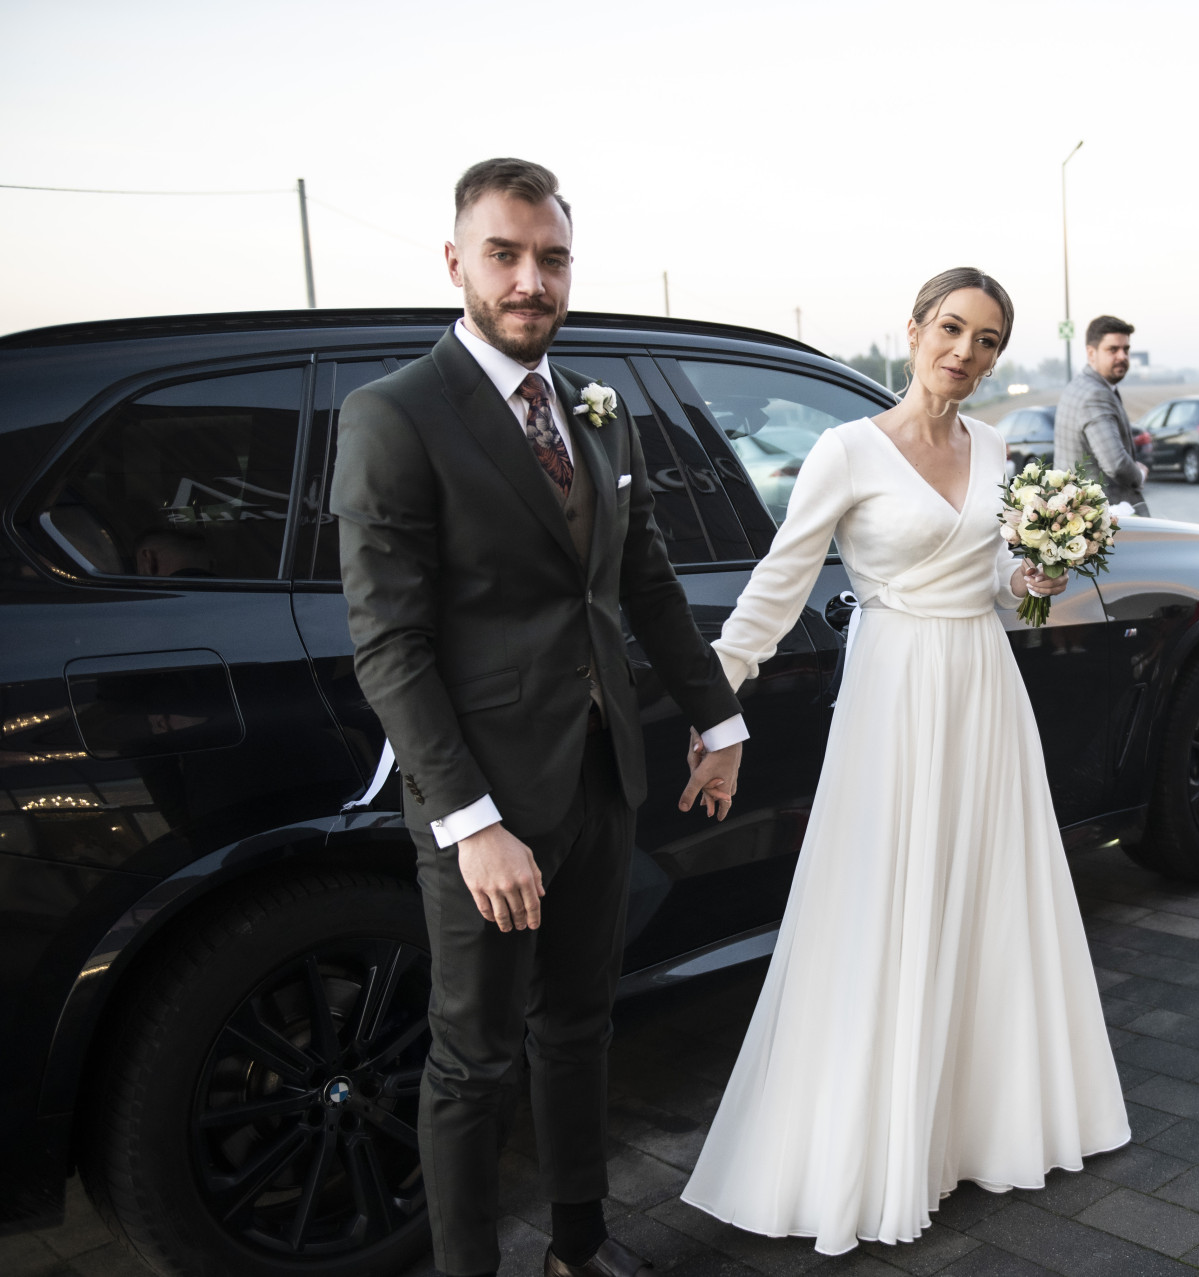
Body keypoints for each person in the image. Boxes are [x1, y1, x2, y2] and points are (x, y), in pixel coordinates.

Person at [332, 158, 747, 1277]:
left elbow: (643, 582)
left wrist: (718, 720)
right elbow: (390, 645)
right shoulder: (395, 415)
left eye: (552, 257)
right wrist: (472, 822)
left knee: (579, 1026)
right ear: (455, 262)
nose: (531, 279)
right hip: (485, 802)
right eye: (505, 254)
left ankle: (578, 1244)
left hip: (602, 776)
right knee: (472, 1059)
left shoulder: (595, 410)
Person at [681, 268, 1130, 1254]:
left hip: (983, 684)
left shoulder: (997, 449)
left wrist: (1033, 570)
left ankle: (983, 1124)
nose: (965, 352)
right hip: (895, 690)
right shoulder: (846, 450)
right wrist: (716, 704)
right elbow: (778, 583)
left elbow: (1003, 586)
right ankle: (879, 1145)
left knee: (986, 891)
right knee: (888, 898)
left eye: (987, 340)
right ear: (917, 328)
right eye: (952, 328)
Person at [1054, 315, 1148, 513]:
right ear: (1091, 353)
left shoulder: (1078, 386)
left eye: (1126, 349)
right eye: (1113, 349)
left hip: (1077, 513)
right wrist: (1138, 474)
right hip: (1105, 516)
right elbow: (1116, 464)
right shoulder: (1096, 394)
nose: (1122, 356)